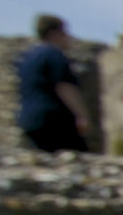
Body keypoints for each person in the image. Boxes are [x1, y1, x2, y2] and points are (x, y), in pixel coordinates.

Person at [15, 14, 90, 153]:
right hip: (53, 119)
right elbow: (64, 86)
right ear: (54, 33)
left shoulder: (27, 58)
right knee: (78, 159)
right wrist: (82, 116)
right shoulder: (54, 54)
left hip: (29, 120)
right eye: (64, 32)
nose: (68, 36)